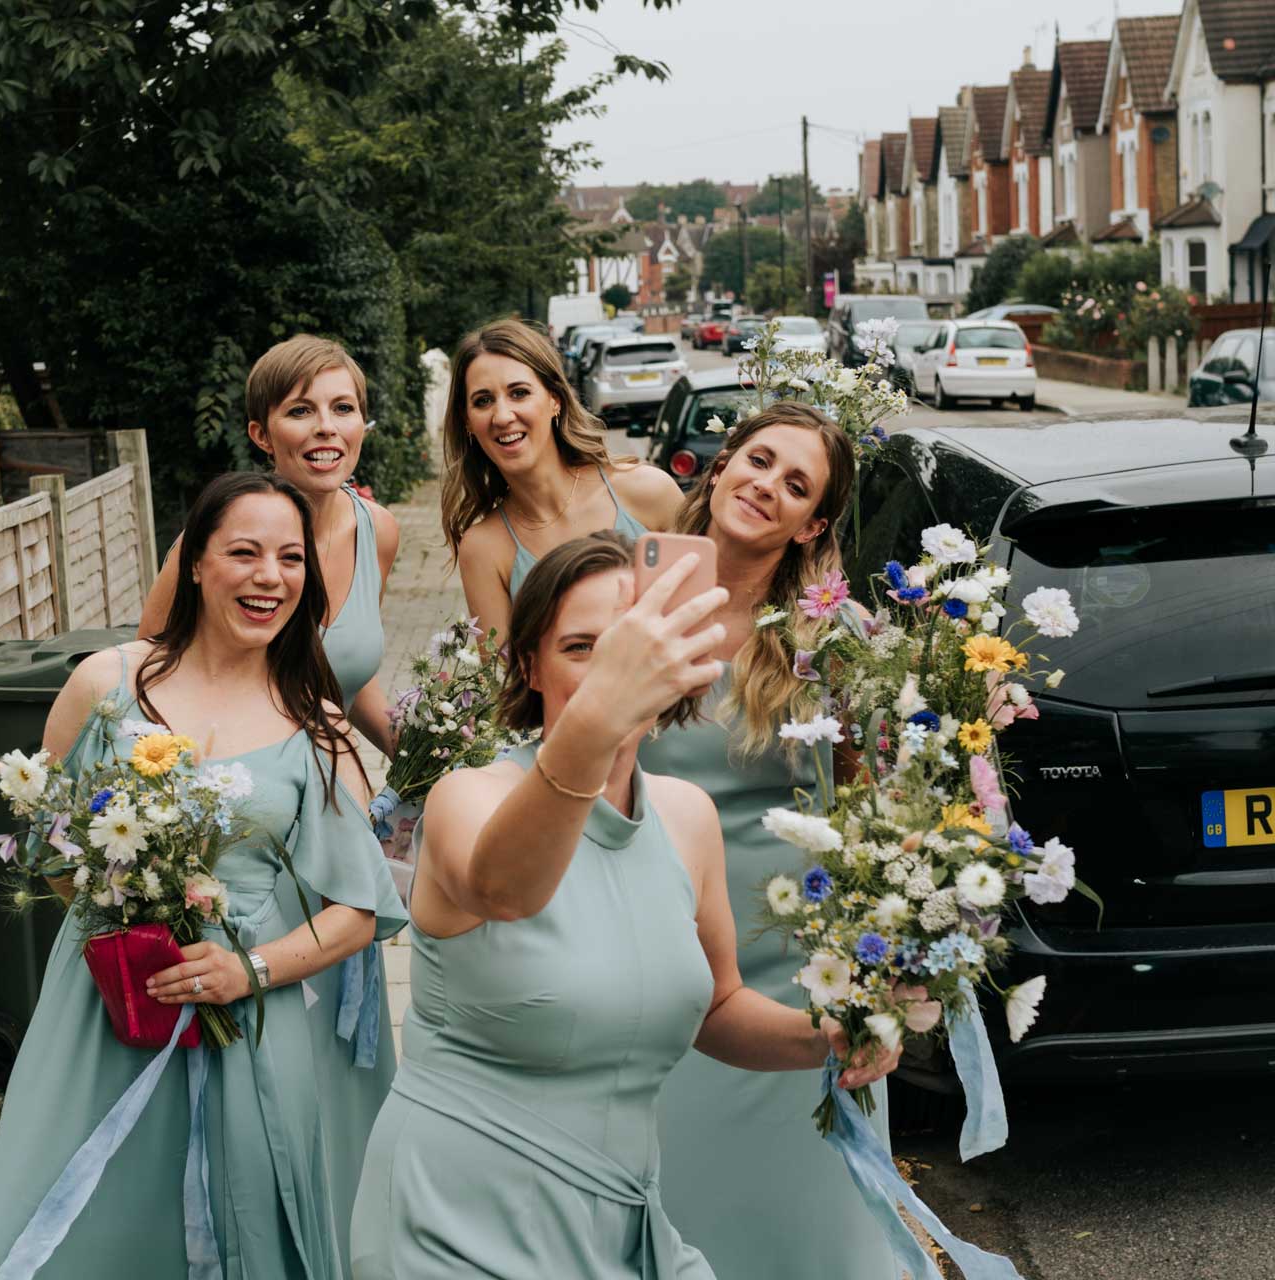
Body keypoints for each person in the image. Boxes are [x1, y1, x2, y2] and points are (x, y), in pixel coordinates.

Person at [349, 532, 899, 1280]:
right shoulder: (466, 797)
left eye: (635, 649)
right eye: (584, 649)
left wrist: (828, 1035)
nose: (617, 672)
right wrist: (598, 720)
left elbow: (716, 1006)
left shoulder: (687, 816)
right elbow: (510, 891)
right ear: (527, 665)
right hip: (459, 1214)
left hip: (622, 1214)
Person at [0, 472, 407, 1280]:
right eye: (244, 553)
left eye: (290, 559)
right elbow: (49, 835)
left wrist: (246, 969)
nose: (269, 577)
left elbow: (361, 911)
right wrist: (129, 921)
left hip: (255, 1026)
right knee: (84, 1227)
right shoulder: (107, 685)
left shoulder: (318, 727)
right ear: (195, 563)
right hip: (108, 1012)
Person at [644, 402, 903, 1280]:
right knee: (680, 1202)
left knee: (812, 1221)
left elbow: (877, 816)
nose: (766, 486)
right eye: (757, 461)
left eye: (796, 486)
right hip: (663, 946)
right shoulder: (630, 601)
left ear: (812, 526)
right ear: (719, 468)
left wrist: (887, 979)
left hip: (797, 953)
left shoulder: (836, 638)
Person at [140, 335, 400, 756]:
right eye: (300, 410)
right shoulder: (212, 543)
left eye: (343, 408)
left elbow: (349, 668)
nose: (326, 427)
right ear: (262, 435)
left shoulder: (379, 531)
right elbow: (145, 678)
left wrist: (414, 757)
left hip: (332, 784)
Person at [440, 318, 681, 641]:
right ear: (467, 421)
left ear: (555, 399)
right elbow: (502, 683)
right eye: (483, 401)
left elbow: (709, 614)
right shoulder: (484, 549)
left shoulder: (648, 492)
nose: (502, 416)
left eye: (519, 393)